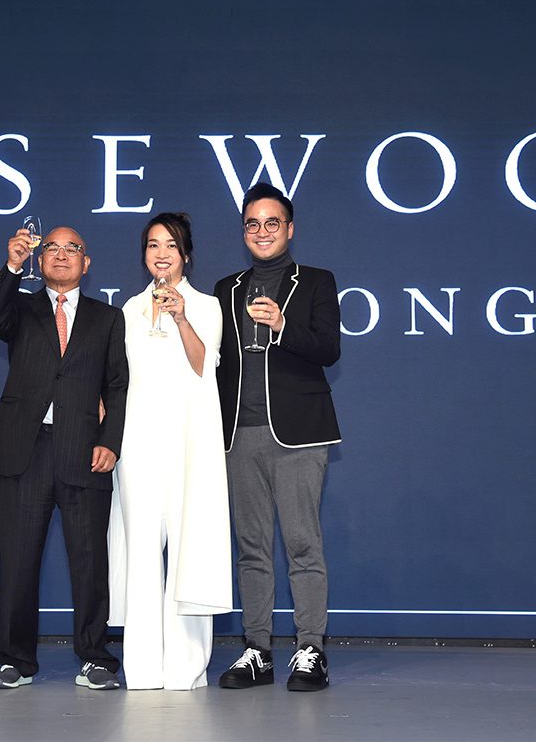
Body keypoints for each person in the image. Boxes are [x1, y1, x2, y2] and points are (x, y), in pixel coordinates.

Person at [0, 225, 128, 691]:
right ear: (40, 262)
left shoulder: (108, 318)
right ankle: (15, 658)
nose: (61, 256)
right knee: (19, 561)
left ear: (87, 263)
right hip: (24, 448)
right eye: (52, 249)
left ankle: (95, 657)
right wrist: (11, 266)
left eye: (72, 249)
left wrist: (110, 440)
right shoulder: (20, 308)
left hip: (85, 451)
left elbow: (118, 385)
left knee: (89, 560)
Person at [214, 183, 342, 692]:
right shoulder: (225, 288)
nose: (262, 231)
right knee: (250, 548)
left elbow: (328, 349)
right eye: (252, 223)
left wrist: (284, 324)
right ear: (243, 231)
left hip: (298, 434)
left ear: (289, 229)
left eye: (272, 222)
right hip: (238, 435)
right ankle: (257, 649)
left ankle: (311, 648)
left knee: (302, 543)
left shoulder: (315, 281)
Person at [107, 213, 232, 690]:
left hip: (189, 441)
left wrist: (181, 316)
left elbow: (204, 366)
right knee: (141, 549)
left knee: (187, 547)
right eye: (153, 245)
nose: (162, 253)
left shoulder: (207, 305)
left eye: (171, 245)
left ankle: (185, 666)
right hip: (138, 442)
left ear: (185, 254)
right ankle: (141, 666)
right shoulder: (129, 312)